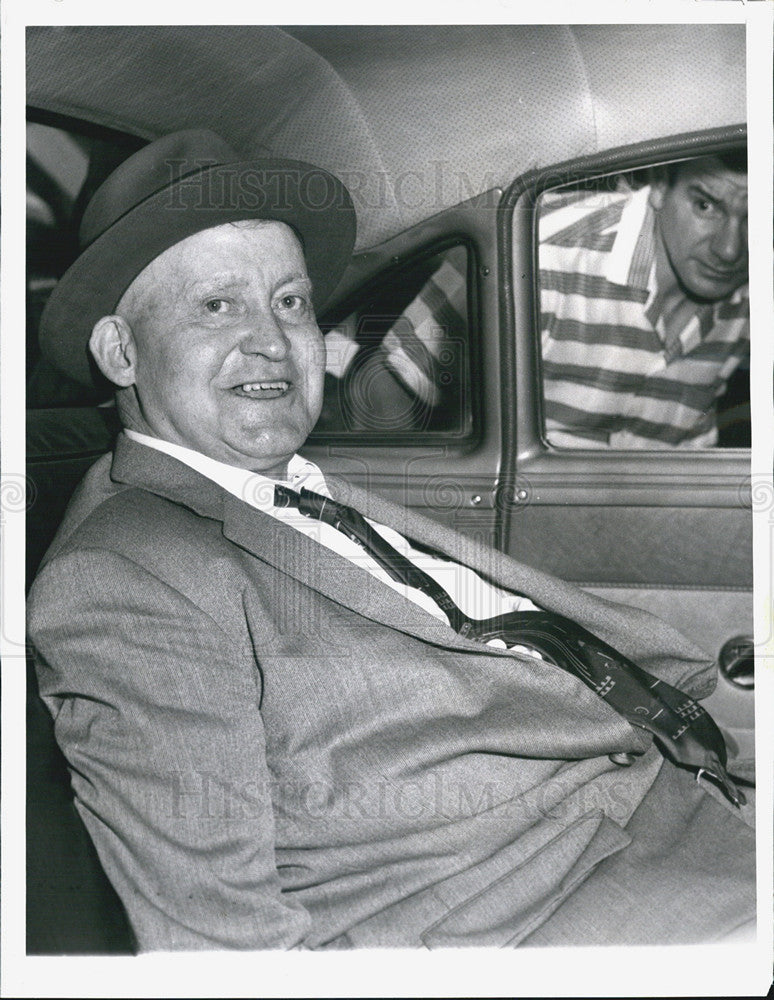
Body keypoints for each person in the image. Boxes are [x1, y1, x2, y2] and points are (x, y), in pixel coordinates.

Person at [27, 130, 755, 951]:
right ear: (121, 351)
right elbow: (216, 938)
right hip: (539, 907)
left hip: (658, 792)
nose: (272, 340)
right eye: (217, 305)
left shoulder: (293, 486)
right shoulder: (123, 578)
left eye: (291, 302)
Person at [539, 152, 749, 448]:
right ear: (660, 185)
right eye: (705, 206)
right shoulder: (542, 256)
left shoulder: (750, 302)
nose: (729, 250)